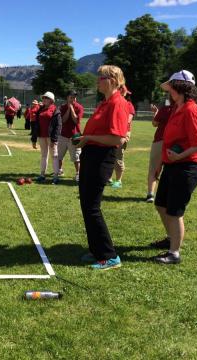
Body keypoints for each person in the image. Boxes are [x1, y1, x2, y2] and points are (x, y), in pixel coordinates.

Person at [151, 70, 197, 264]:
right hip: (172, 166)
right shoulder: (177, 108)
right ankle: (171, 239)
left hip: (186, 168)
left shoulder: (192, 110)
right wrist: (161, 164)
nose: (169, 92)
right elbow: (168, 140)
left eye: (172, 87)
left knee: (175, 211)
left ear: (180, 87)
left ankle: (174, 253)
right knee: (161, 205)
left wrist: (179, 156)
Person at [75, 65, 129, 270]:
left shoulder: (118, 103)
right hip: (92, 155)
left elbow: (117, 138)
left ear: (112, 80)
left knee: (92, 206)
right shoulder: (105, 103)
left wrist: (88, 138)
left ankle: (109, 256)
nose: (97, 80)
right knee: (87, 205)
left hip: (101, 157)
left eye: (101, 77)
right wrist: (85, 139)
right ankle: (97, 250)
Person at [146, 96, 174, 203]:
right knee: (170, 170)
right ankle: (169, 196)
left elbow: (155, 123)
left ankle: (150, 194)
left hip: (159, 141)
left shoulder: (165, 109)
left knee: (153, 169)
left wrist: (156, 112)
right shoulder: (181, 109)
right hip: (174, 143)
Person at [30, 91, 62, 184]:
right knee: (44, 156)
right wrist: (34, 139)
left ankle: (56, 177)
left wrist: (54, 139)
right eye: (43, 98)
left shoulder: (56, 110)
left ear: (51, 100)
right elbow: (36, 125)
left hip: (51, 137)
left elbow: (58, 126)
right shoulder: (40, 109)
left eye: (46, 98)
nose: (43, 99)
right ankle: (42, 174)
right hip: (41, 136)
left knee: (54, 156)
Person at [110, 85, 135, 189]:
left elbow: (128, 119)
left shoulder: (129, 105)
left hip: (123, 133)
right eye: (124, 92)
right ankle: (109, 178)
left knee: (118, 157)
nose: (126, 95)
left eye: (126, 93)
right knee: (109, 156)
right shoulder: (114, 102)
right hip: (113, 132)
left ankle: (118, 180)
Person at [58, 91, 84, 182]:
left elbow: (76, 121)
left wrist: (72, 109)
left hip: (75, 136)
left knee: (76, 157)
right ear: (67, 98)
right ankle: (59, 170)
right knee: (59, 155)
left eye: (75, 97)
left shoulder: (79, 107)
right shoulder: (62, 107)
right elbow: (63, 120)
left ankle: (78, 174)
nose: (73, 99)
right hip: (63, 135)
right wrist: (68, 109)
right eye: (71, 97)